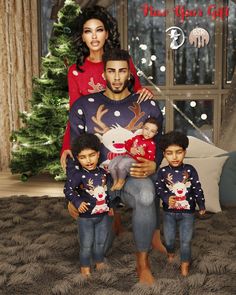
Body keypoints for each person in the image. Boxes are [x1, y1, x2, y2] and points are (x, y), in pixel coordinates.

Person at [68, 48, 165, 285]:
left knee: (146, 193)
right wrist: (70, 195)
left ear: (130, 74)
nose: (117, 77)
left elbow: (159, 144)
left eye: (123, 71)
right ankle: (112, 218)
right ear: (104, 74)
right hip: (98, 181)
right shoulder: (84, 106)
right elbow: (74, 153)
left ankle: (142, 261)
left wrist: (154, 163)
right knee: (94, 253)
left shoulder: (149, 106)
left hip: (133, 176)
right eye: (111, 71)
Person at [60, 5, 153, 170]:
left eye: (99, 30)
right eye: (88, 31)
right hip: (93, 140)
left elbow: (137, 93)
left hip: (121, 134)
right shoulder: (75, 71)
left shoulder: (122, 61)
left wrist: (145, 92)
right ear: (82, 36)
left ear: (107, 34)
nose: (94, 36)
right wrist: (67, 145)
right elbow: (74, 113)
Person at [156, 131, 206, 276]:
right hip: (169, 213)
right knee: (170, 239)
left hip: (188, 213)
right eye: (170, 153)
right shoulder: (163, 171)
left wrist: (201, 204)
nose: (175, 156)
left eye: (178, 152)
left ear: (184, 152)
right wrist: (166, 197)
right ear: (164, 154)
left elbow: (197, 187)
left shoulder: (190, 170)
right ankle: (170, 253)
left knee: (186, 241)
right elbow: (158, 188)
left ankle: (185, 264)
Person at [64, 133, 113, 277]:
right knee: (86, 244)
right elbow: (68, 189)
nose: (88, 160)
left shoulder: (105, 173)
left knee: (100, 242)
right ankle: (85, 267)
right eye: (82, 157)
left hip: (103, 216)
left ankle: (99, 261)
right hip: (85, 217)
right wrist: (77, 202)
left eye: (91, 155)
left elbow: (107, 191)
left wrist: (110, 206)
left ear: (98, 154)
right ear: (78, 159)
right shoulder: (78, 175)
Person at [108, 117, 159, 191]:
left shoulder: (151, 144)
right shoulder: (137, 137)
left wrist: (143, 153)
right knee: (112, 165)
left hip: (135, 161)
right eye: (146, 129)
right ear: (142, 128)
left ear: (156, 133)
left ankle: (121, 181)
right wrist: (130, 149)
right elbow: (127, 144)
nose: (148, 132)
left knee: (121, 164)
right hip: (127, 156)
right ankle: (115, 181)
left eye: (152, 131)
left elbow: (151, 159)